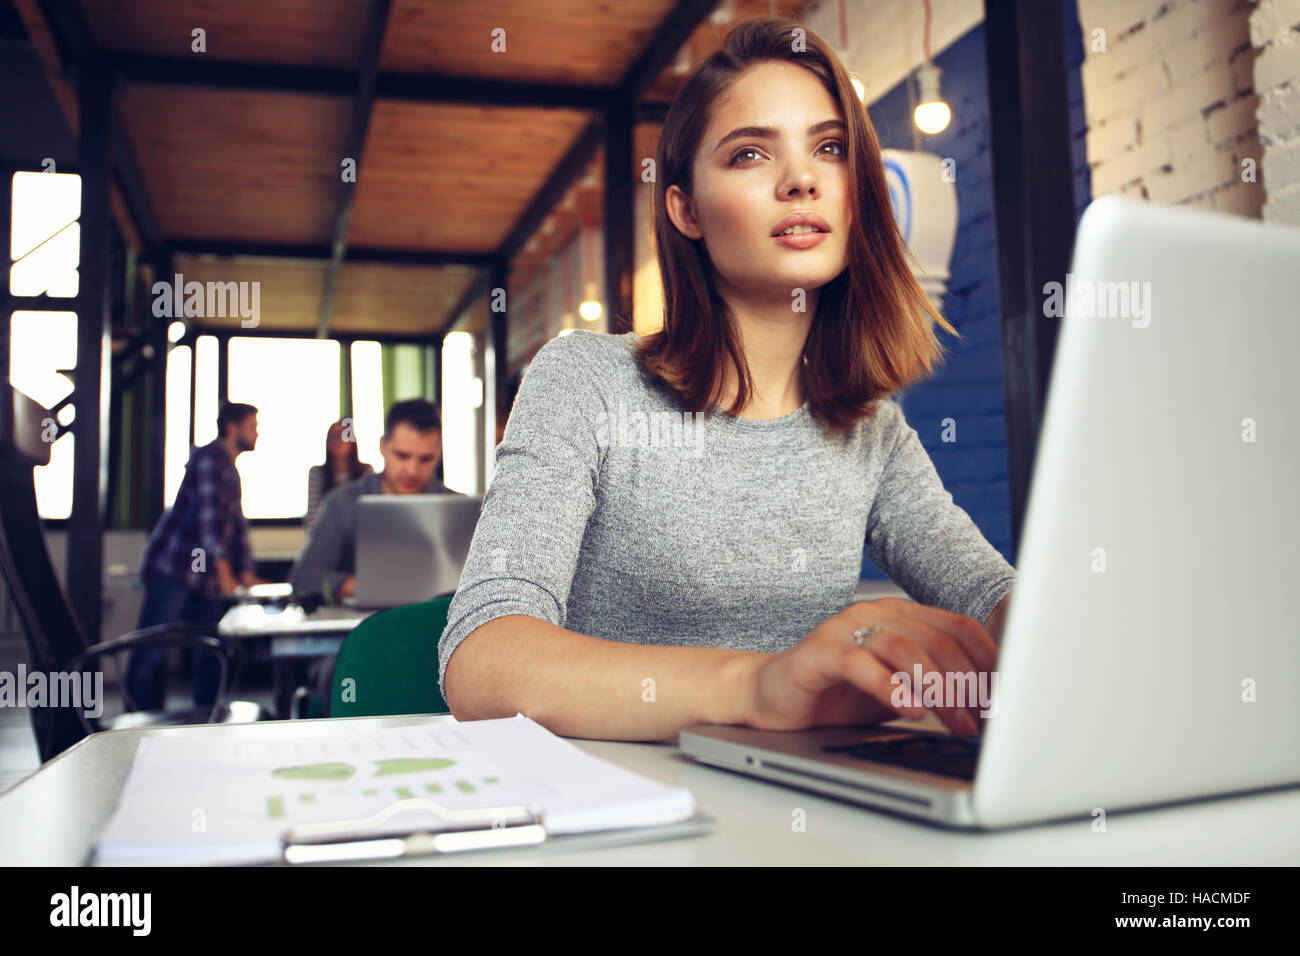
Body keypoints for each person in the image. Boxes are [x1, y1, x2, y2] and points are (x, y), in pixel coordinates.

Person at [438, 18, 1016, 743]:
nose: (801, 179)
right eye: (749, 154)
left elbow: (993, 596)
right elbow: (482, 659)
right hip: (620, 823)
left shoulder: (873, 430)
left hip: (802, 818)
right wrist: (757, 686)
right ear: (685, 210)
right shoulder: (586, 381)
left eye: (830, 148)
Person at [126, 402, 265, 712]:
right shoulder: (209, 460)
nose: (257, 432)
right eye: (252, 425)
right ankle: (132, 724)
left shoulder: (230, 469)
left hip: (200, 577)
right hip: (173, 569)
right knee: (152, 650)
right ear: (232, 428)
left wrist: (246, 572)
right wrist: (227, 575)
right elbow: (209, 527)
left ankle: (207, 714)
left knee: (214, 644)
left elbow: (236, 527)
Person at [289, 399, 449, 602]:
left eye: (425, 459)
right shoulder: (343, 503)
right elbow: (304, 578)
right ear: (383, 446)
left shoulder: (457, 509)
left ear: (438, 454)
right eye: (402, 456)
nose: (412, 470)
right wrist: (371, 586)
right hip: (359, 627)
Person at [306, 420, 374, 529]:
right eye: (333, 436)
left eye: (343, 436)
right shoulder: (317, 473)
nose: (338, 441)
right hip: (326, 537)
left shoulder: (366, 471)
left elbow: (369, 513)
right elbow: (313, 518)